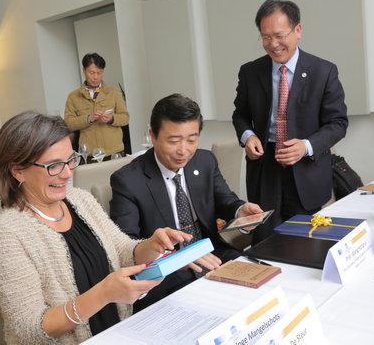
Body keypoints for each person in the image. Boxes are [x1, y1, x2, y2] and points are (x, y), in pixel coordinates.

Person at [0, 111, 192, 345]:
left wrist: (151, 245)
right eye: (53, 166)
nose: (67, 173)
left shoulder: (79, 200)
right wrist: (104, 294)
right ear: (17, 170)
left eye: (70, 160)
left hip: (121, 333)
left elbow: (123, 250)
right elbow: (29, 329)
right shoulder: (6, 236)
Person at [110, 93, 262, 311]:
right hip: (168, 271)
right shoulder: (128, 181)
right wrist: (177, 258)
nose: (184, 150)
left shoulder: (204, 160)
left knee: (260, 290)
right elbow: (126, 248)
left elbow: (225, 200)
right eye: (173, 140)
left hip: (213, 253)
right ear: (153, 136)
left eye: (192, 140)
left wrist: (240, 210)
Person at [232, 0, 348, 244]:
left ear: (298, 30)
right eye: (265, 37)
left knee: (307, 243)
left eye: (279, 35)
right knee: (265, 241)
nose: (273, 44)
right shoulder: (250, 72)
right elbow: (240, 114)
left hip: (305, 168)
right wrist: (248, 136)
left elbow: (338, 123)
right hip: (265, 166)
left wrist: (305, 146)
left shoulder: (323, 71)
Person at [65, 53, 129, 161]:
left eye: (99, 73)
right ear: (84, 70)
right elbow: (69, 123)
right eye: (92, 72)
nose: (96, 77)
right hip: (90, 155)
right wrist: (89, 119)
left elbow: (125, 118)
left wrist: (112, 118)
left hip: (114, 152)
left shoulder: (113, 93)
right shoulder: (73, 97)